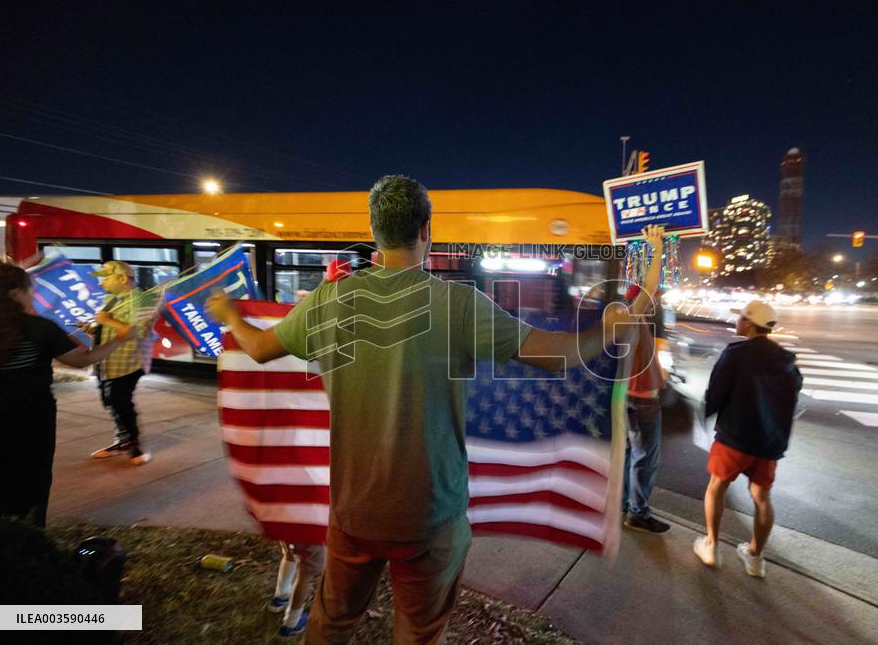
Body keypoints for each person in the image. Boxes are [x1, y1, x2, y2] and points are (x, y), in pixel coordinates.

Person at [207, 174, 665, 644]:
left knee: (332, 622)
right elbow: (560, 354)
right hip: (431, 519)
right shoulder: (460, 305)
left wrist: (228, 315)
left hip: (354, 512)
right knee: (420, 632)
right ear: (426, 229)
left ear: (375, 232)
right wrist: (610, 329)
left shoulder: (329, 300)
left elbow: (259, 348)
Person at [0, 258, 128, 527]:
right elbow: (83, 359)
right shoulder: (38, 328)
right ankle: (28, 533)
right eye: (29, 290)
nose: (32, 295)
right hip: (30, 417)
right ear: (15, 294)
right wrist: (120, 338)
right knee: (31, 475)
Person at [693, 300, 802, 577]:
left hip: (735, 435)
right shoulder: (786, 359)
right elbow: (794, 392)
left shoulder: (736, 354)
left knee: (717, 486)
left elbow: (716, 391)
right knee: (762, 496)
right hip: (769, 440)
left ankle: (711, 546)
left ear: (750, 324)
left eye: (741, 318)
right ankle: (755, 557)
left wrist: (706, 413)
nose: (737, 322)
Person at [267, 258, 346, 638]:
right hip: (312, 499)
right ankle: (292, 617)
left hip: (287, 495)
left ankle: (279, 595)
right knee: (312, 566)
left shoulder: (298, 338)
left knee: (290, 551)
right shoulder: (337, 353)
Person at [86, 261, 158, 466]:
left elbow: (139, 331)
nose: (101, 283)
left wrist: (107, 320)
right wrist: (93, 329)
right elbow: (109, 327)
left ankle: (134, 446)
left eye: (105, 278)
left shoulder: (144, 300)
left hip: (128, 361)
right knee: (109, 402)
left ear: (122, 278)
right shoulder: (110, 299)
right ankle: (122, 441)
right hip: (105, 361)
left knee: (120, 402)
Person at [621, 283, 670, 534]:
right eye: (653, 297)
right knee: (645, 458)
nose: (656, 302)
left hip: (629, 398)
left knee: (629, 454)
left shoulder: (628, 321)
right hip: (642, 401)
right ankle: (638, 513)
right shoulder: (634, 320)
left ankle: (623, 504)